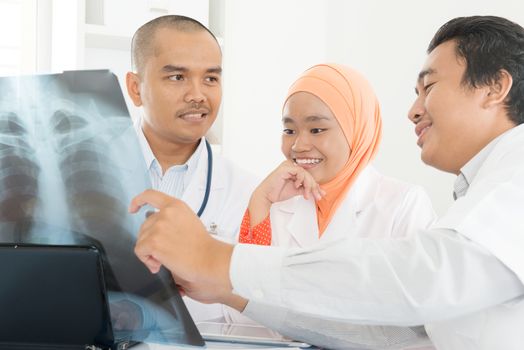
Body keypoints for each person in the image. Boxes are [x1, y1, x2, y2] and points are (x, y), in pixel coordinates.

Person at [130, 15, 524, 350]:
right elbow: (395, 337)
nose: (413, 111)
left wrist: (218, 260)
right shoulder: (483, 191)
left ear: (494, 88)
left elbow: (414, 280)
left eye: (430, 87)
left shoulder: (513, 179)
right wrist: (232, 292)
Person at [229, 63, 437, 348]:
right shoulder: (276, 205)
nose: (299, 145)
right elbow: (242, 320)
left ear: (356, 130)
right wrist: (259, 204)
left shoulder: (403, 204)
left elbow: (412, 328)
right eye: (289, 130)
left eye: (316, 129)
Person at [125, 15, 258, 322]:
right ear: (135, 88)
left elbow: (259, 312)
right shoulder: (91, 174)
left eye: (210, 78)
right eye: (178, 77)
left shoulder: (248, 192)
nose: (198, 94)